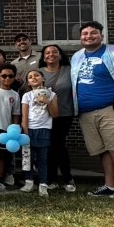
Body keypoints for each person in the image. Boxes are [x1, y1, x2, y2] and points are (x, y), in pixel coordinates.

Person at [70, 21, 114, 198]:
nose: (88, 36)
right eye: (84, 34)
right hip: (86, 112)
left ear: (101, 35)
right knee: (102, 150)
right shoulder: (77, 56)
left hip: (113, 109)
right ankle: (109, 186)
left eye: (93, 33)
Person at [40, 44, 76, 192]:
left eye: (55, 52)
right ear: (43, 57)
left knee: (59, 145)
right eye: (47, 52)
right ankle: (52, 179)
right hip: (44, 115)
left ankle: (68, 179)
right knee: (49, 146)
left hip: (64, 114)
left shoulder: (70, 70)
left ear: (60, 55)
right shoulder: (39, 72)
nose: (51, 54)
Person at [20, 70, 59, 196]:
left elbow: (55, 114)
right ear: (28, 82)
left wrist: (47, 101)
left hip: (44, 130)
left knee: (42, 159)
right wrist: (25, 132)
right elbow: (24, 117)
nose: (33, 78)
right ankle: (29, 182)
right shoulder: (27, 96)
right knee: (28, 158)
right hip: (30, 130)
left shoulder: (52, 95)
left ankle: (43, 184)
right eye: (30, 77)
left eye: (36, 75)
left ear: (43, 78)